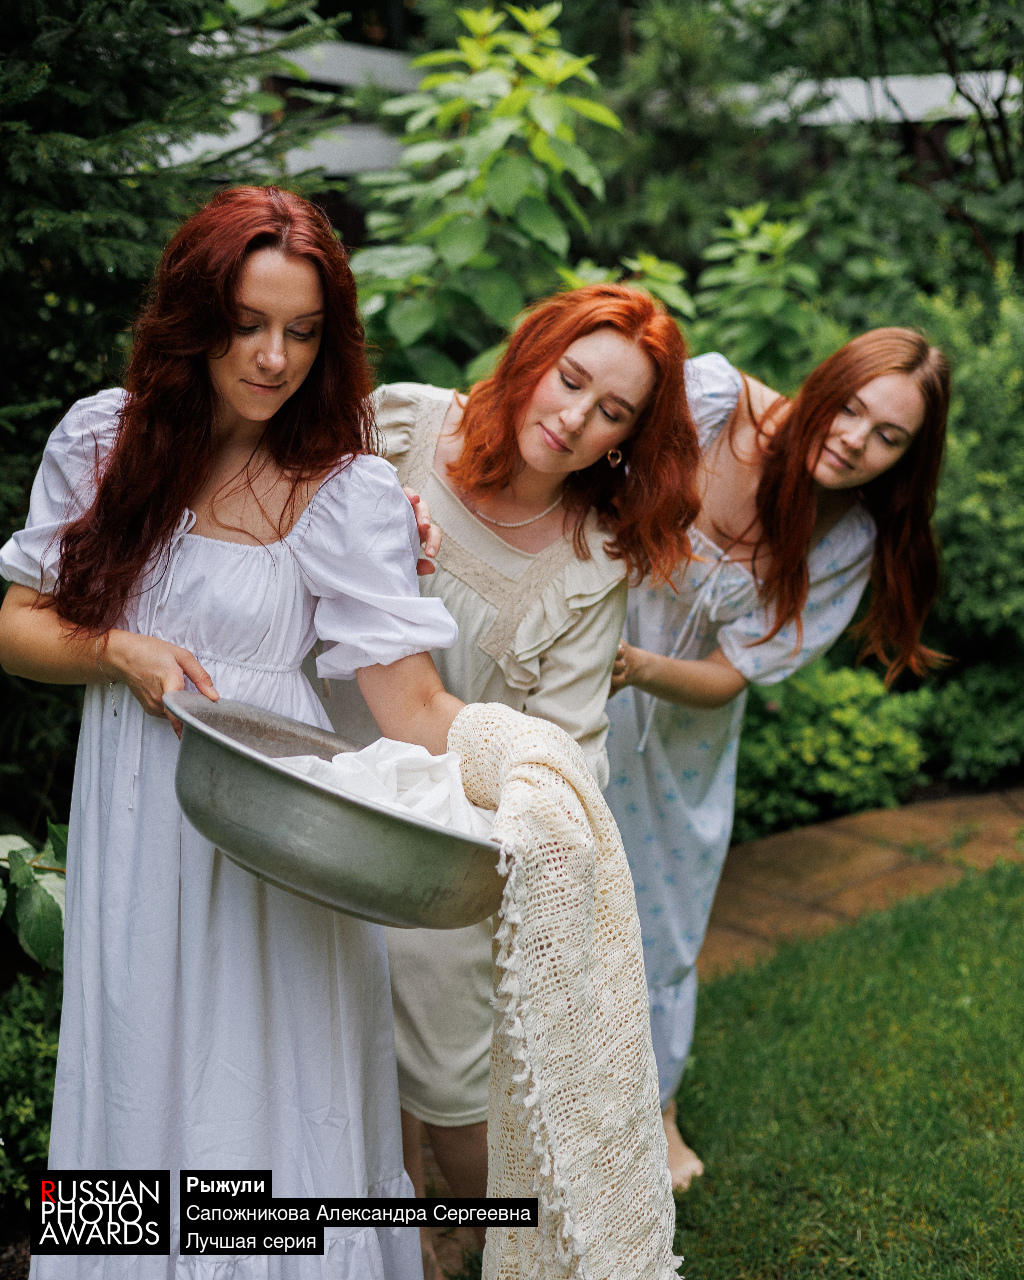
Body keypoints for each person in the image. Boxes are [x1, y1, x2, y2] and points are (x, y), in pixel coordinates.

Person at [0, 186, 466, 1280]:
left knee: (270, 1077)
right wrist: (118, 650)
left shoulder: (346, 489)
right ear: (193, 317)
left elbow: (410, 704)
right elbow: (17, 627)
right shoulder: (102, 441)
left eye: (302, 331)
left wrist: (525, 770)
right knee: (138, 1062)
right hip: (137, 816)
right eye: (247, 324)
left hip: (271, 828)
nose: (273, 358)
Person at [316, 284, 701, 1276]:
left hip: (442, 838)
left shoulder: (588, 563)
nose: (574, 417)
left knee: (454, 1100)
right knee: (334, 1069)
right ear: (532, 355)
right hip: (308, 782)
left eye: (611, 412)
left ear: (625, 441)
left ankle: (504, 1243)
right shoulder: (404, 427)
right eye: (570, 379)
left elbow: (566, 749)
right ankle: (386, 1245)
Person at [605, 329, 950, 1191]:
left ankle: (654, 1105)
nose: (855, 441)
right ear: (824, 382)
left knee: (660, 922)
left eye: (889, 437)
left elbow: (732, 675)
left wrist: (635, 668)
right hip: (568, 668)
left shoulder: (845, 539)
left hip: (676, 735)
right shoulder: (712, 401)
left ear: (908, 458)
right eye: (851, 408)